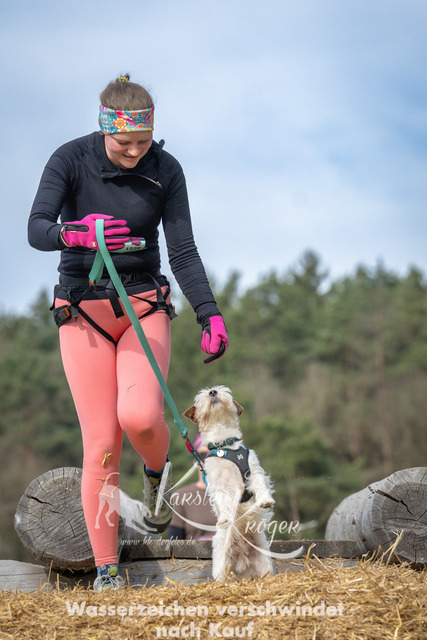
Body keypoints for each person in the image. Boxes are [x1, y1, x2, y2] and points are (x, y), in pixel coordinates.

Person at [27, 74, 228, 591]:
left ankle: (157, 474)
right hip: (83, 310)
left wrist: (208, 312)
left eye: (144, 140)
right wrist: (74, 234)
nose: (136, 151)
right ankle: (107, 570)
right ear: (104, 129)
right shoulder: (69, 159)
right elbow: (37, 228)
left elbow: (183, 250)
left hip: (143, 304)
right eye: (124, 143)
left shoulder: (166, 169)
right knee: (101, 443)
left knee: (139, 417)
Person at [168, 434, 217, 540]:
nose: (207, 459)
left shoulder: (236, 495)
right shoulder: (180, 496)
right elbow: (174, 543)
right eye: (202, 455)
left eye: (212, 454)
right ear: (195, 460)